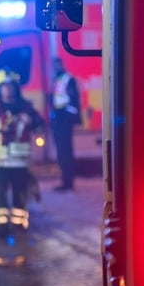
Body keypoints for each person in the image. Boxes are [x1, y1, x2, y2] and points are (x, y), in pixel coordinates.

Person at [0, 70, 43, 248]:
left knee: (19, 195)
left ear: (16, 88)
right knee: (0, 194)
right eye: (4, 87)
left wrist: (30, 121)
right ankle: (1, 228)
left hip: (19, 162)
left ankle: (19, 225)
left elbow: (40, 127)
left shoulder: (26, 108)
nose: (8, 90)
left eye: (11, 86)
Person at [49, 57, 81, 191]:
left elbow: (73, 101)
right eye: (54, 65)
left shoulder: (68, 79)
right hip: (58, 118)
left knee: (65, 152)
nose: (55, 67)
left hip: (64, 119)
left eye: (57, 65)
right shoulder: (57, 79)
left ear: (61, 65)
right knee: (61, 152)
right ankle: (65, 181)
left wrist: (68, 116)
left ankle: (68, 183)